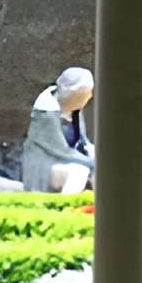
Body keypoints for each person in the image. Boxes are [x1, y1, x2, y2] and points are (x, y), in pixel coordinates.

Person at [22, 65, 94, 193]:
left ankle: (98, 209)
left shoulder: (75, 111)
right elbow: (61, 151)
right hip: (44, 163)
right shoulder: (46, 113)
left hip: (69, 159)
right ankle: (65, 208)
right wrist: (92, 162)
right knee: (79, 172)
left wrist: (92, 152)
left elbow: (83, 141)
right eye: (87, 93)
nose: (90, 96)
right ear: (75, 95)